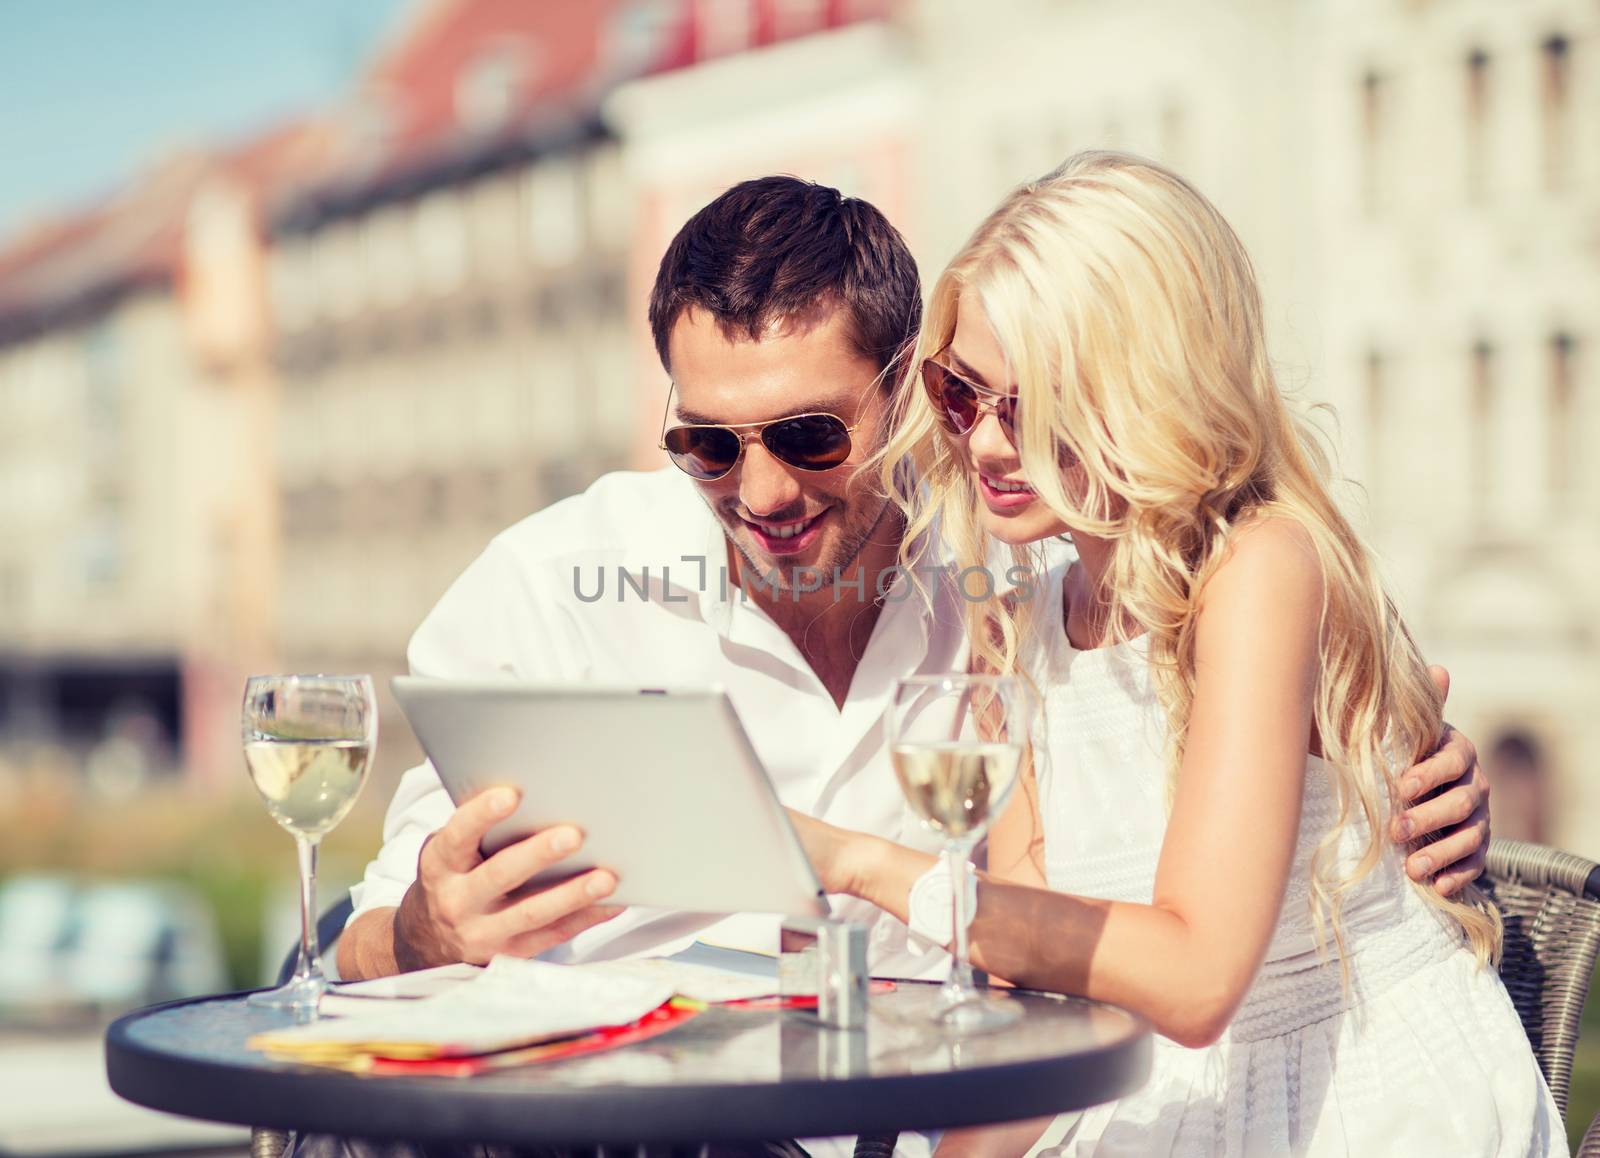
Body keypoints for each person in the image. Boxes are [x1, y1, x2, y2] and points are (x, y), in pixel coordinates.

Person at [333, 176, 1493, 1156]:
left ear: (895, 395)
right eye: (705, 446)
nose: (763, 491)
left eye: (809, 435)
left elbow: (1158, 887)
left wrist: (1398, 768)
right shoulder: (552, 588)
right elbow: (358, 950)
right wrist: (431, 930)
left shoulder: (998, 588)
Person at [790, 152, 1561, 1156]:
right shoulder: (1022, 621)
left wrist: (854, 864)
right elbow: (1040, 987)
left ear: (1144, 392)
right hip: (1146, 1089)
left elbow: (1196, 983)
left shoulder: (1259, 568)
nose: (980, 443)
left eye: (1028, 406)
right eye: (959, 392)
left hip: (1342, 1098)